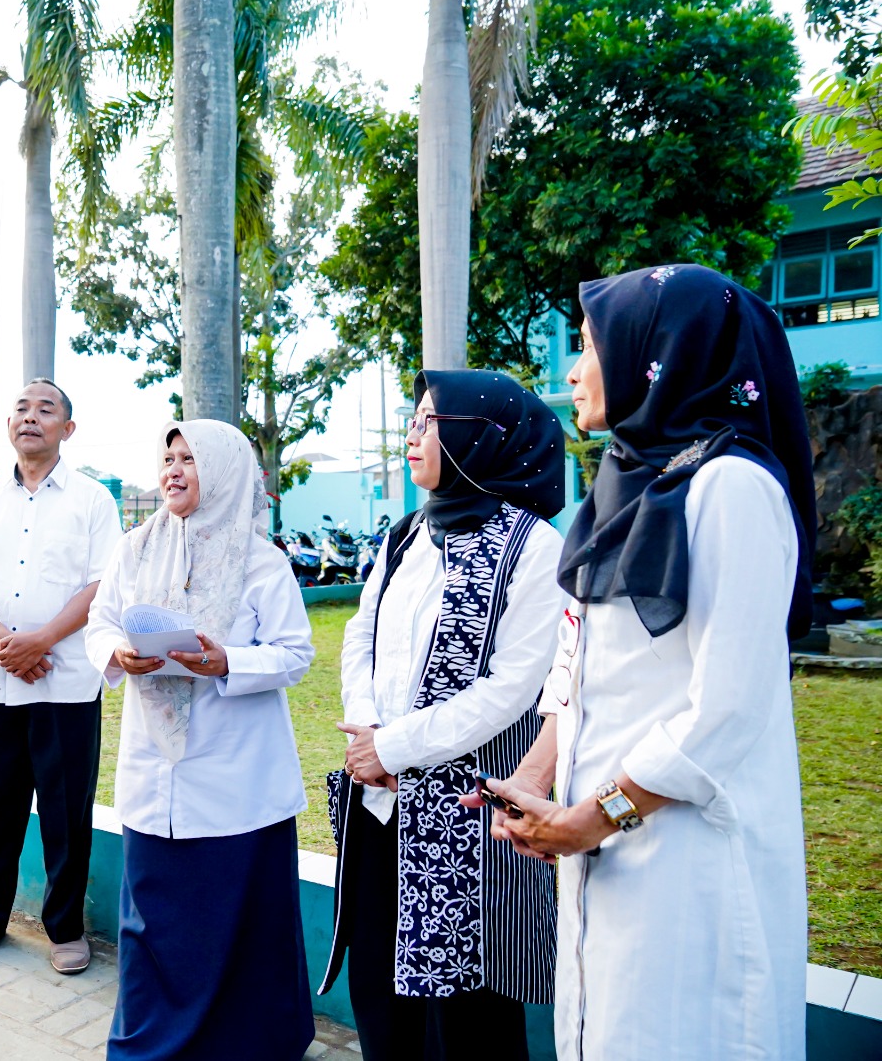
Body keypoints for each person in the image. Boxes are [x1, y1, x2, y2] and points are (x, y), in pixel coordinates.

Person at [470, 264, 814, 1060]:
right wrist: (532, 780)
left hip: (689, 854)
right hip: (603, 841)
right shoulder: (621, 489)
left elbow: (727, 707)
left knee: (686, 1032)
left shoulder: (730, 488)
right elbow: (577, 668)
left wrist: (594, 818)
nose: (573, 368)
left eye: (589, 346)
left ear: (653, 355)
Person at [316, 371, 565, 1060]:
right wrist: (367, 736)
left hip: (463, 817)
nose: (413, 435)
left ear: (482, 437)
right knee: (379, 987)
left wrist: (393, 748)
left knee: (466, 1014)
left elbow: (511, 687)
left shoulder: (534, 547)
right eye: (414, 421)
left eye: (431, 421)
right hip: (379, 805)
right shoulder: (405, 536)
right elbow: (360, 641)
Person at [84, 420, 316, 1061]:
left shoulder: (261, 561)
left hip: (236, 779)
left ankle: (249, 1045)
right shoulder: (134, 548)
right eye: (169, 458)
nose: (175, 471)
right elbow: (99, 622)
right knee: (153, 923)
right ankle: (152, 1046)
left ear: (226, 472)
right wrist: (118, 652)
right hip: (153, 770)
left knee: (237, 924)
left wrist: (228, 664)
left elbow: (295, 654)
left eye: (191, 459)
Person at [0, 379, 122, 973]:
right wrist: (4, 642)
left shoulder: (94, 500)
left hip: (65, 683)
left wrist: (41, 640)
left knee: (67, 813)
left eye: (47, 410)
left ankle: (66, 930)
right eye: (22, 408)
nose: (31, 417)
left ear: (68, 429)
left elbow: (102, 586)